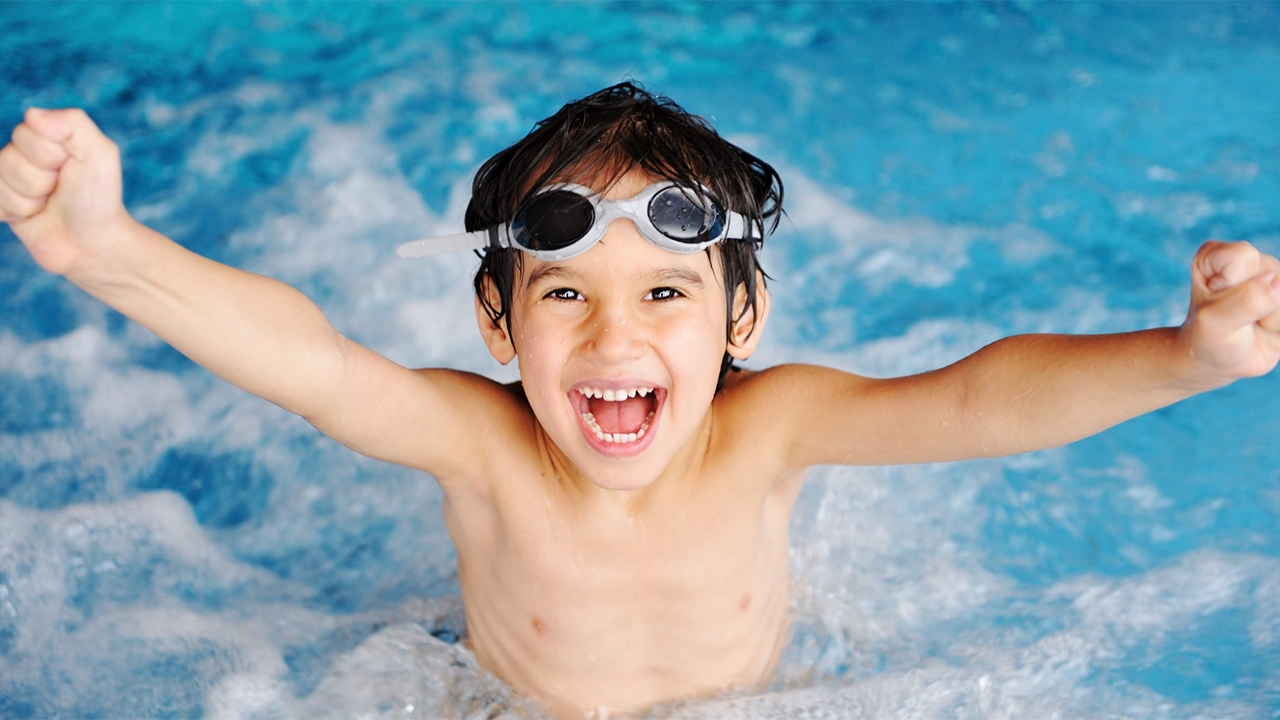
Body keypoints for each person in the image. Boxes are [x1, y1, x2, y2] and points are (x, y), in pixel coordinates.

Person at [2, 82, 1277, 718]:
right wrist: (109, 250)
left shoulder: (767, 430)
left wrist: (1182, 357)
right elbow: (316, 365)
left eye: (665, 296)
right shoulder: (483, 447)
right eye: (565, 299)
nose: (615, 338)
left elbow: (971, 404)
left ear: (741, 318)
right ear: (496, 322)